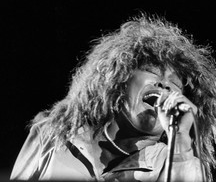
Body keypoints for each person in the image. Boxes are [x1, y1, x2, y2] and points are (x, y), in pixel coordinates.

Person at [10, 14, 216, 181]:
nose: (164, 84)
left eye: (175, 83)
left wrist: (180, 140)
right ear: (119, 80)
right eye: (151, 71)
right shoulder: (54, 134)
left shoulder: (176, 163)